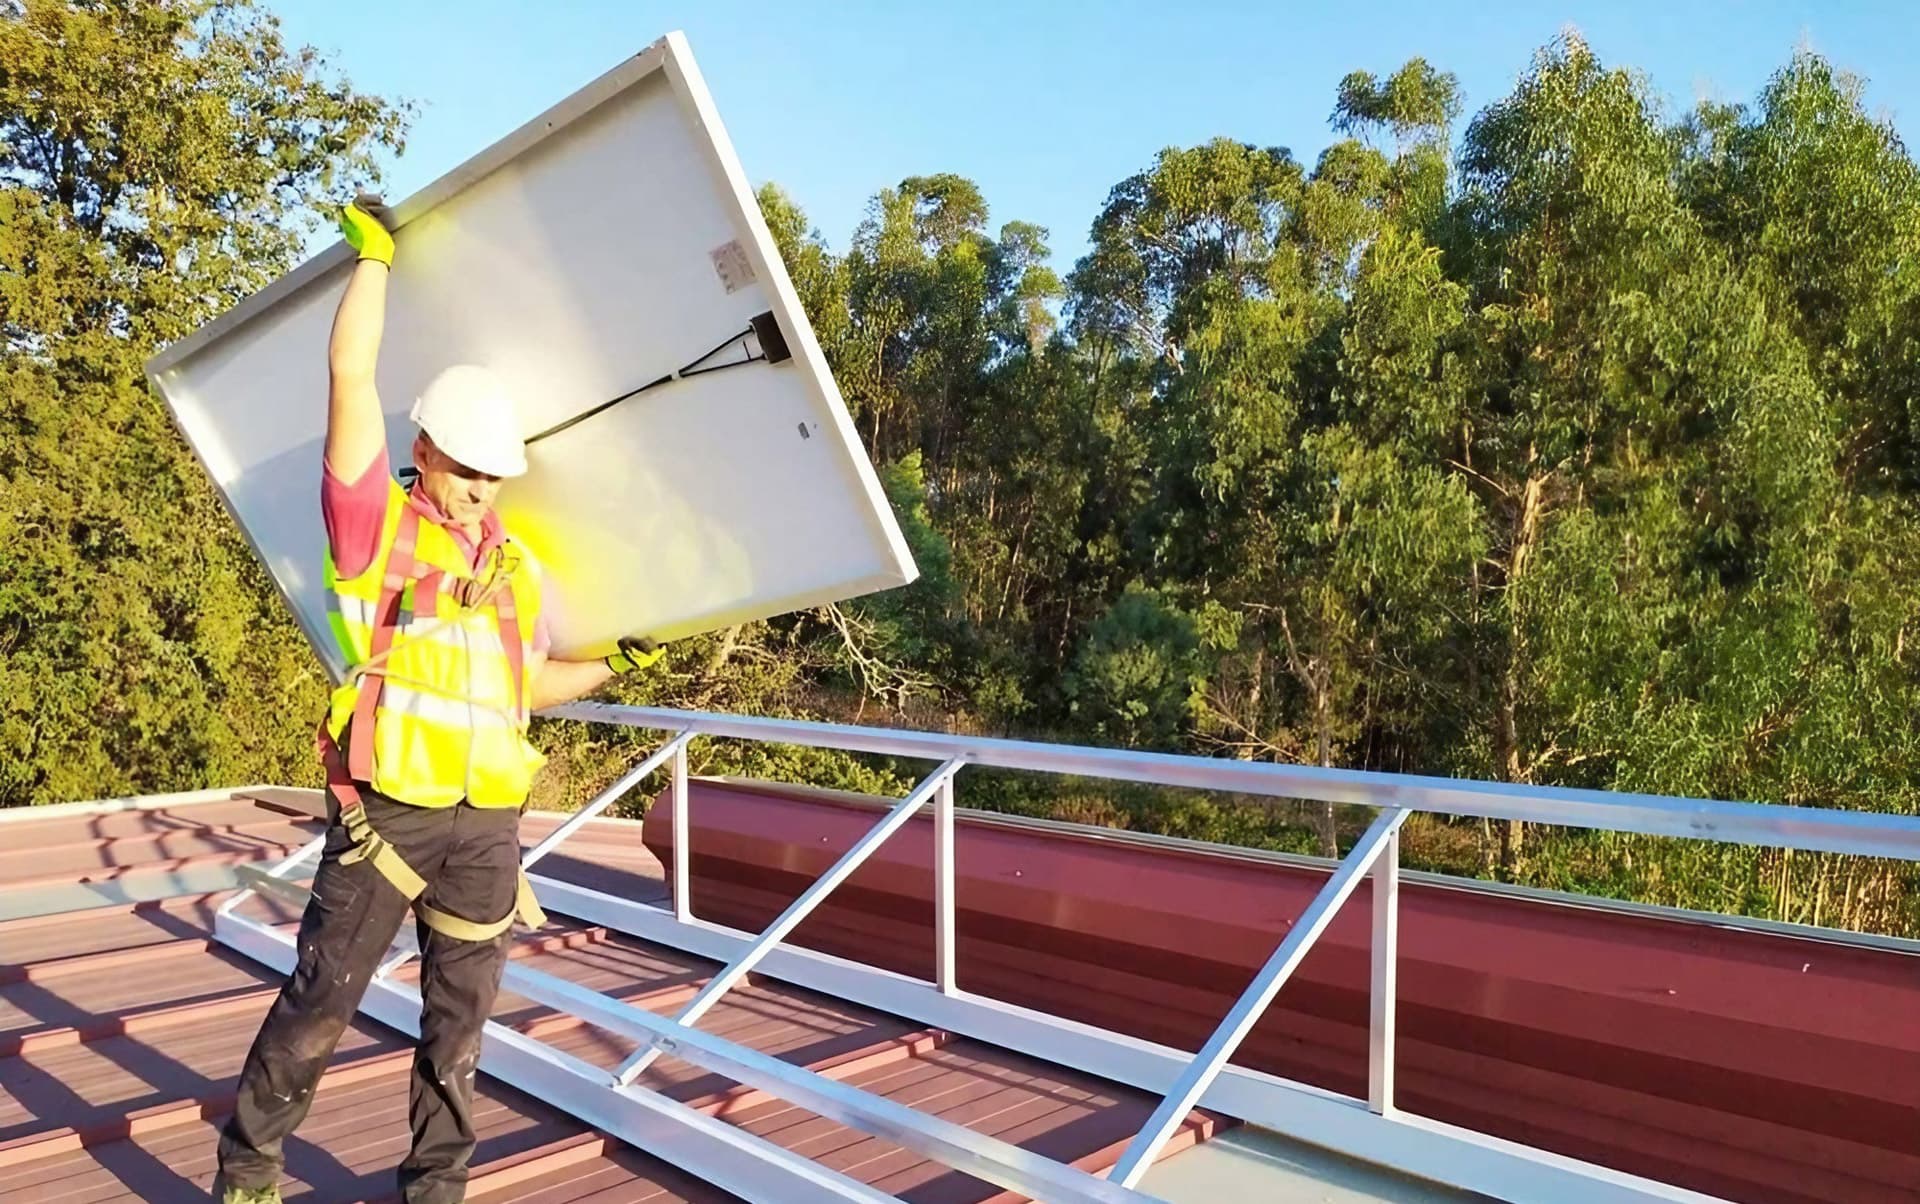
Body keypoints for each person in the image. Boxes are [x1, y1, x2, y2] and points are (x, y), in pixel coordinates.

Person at [214, 197, 661, 1204]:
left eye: (494, 477)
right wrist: (372, 264)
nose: (479, 491)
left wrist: (614, 664)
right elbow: (348, 378)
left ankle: (437, 1190)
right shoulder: (373, 531)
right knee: (321, 1003)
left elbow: (525, 690)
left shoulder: (519, 567)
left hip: (487, 830)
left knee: (459, 1033)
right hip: (390, 819)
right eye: (465, 470)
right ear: (426, 451)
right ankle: (248, 1174)